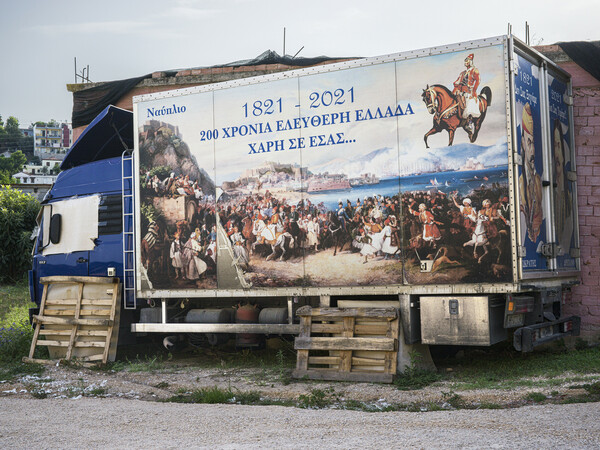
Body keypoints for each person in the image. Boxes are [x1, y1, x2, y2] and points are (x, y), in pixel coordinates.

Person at [518, 103, 544, 243]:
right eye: (529, 143)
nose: (532, 150)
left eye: (533, 144)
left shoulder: (537, 179)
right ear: (522, 144)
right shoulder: (522, 181)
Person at [452, 53, 481, 127]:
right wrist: (456, 88)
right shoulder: (463, 73)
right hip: (461, 91)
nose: (466, 62)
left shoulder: (475, 70)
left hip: (469, 91)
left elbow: (478, 81)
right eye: (465, 61)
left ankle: (469, 122)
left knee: (470, 103)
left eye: (467, 61)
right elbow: (457, 82)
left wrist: (473, 91)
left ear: (470, 62)